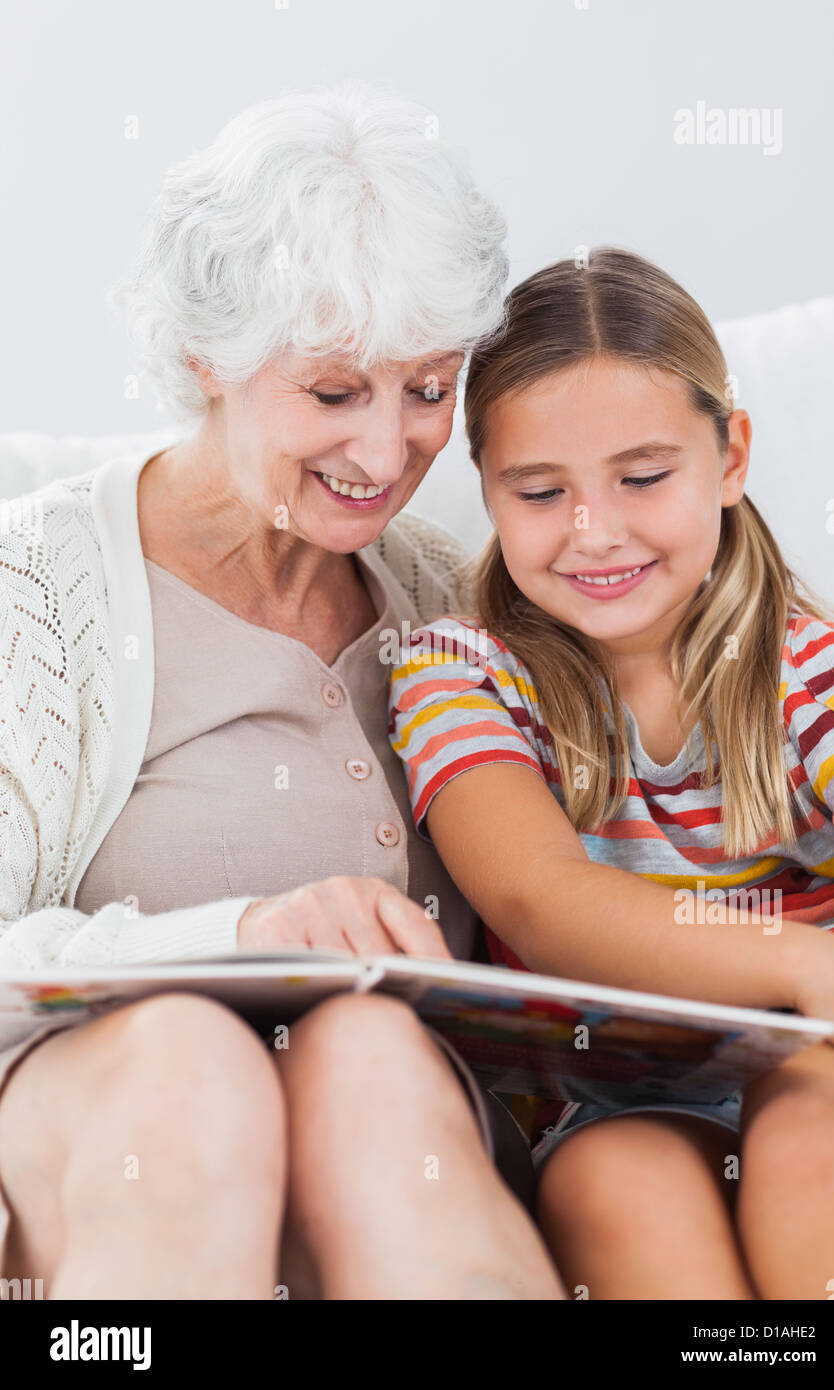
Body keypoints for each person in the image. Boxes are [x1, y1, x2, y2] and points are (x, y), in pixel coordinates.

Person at [0, 80, 565, 1300]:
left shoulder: (455, 599)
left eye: (426, 389)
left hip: (389, 1121)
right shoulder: (28, 588)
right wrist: (240, 937)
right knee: (192, 1062)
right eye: (330, 393)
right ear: (207, 351)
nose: (384, 453)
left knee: (367, 1050)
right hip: (96, 1111)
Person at [388, 246, 834, 1299]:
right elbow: (537, 896)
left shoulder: (815, 672)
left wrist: (827, 993)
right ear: (487, 490)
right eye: (539, 490)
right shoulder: (459, 672)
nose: (592, 530)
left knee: (813, 1157)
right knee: (615, 1188)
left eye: (642, 477)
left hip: (828, 1052)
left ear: (730, 456)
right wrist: (808, 962)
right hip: (618, 1089)